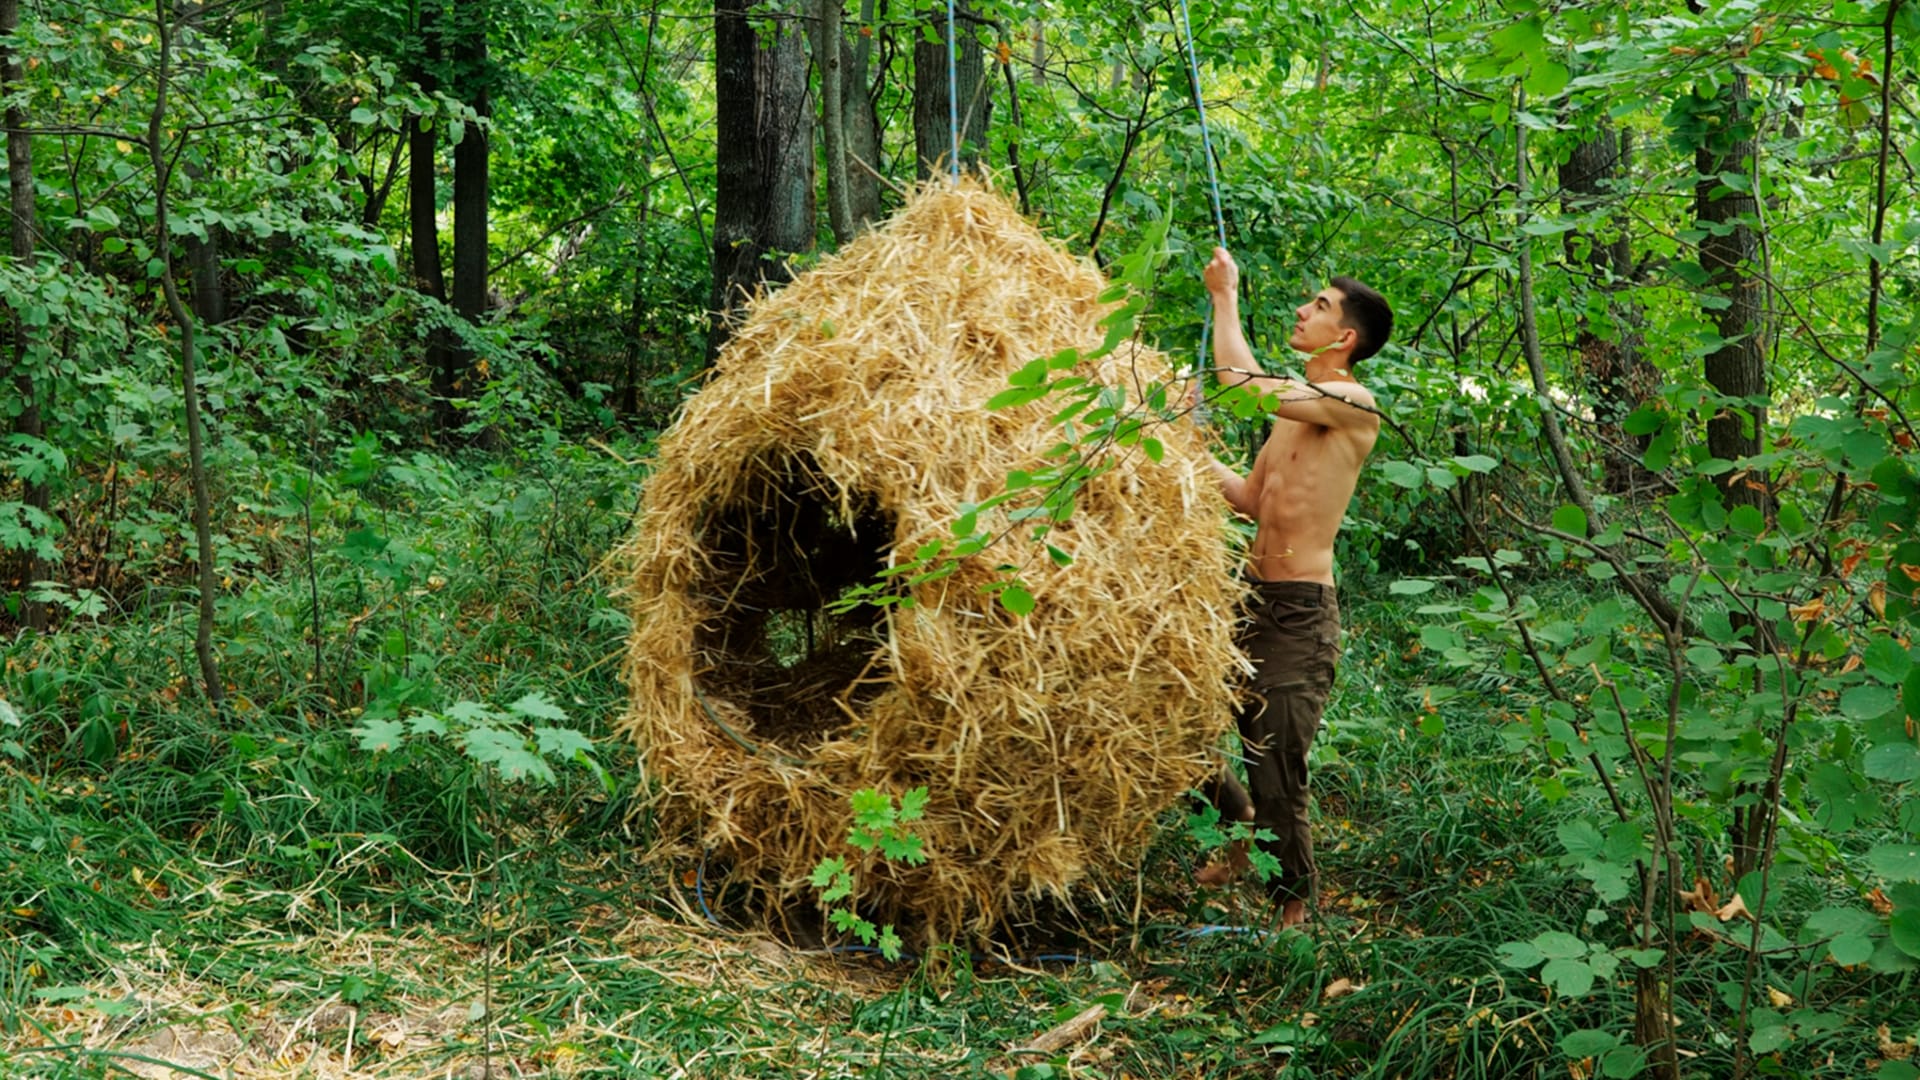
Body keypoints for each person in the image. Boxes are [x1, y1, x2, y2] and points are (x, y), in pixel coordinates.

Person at [1190, 247, 1393, 930]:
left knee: (1276, 763)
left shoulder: (1354, 403)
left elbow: (1241, 380)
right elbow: (1250, 498)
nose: (1303, 310)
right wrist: (1183, 450)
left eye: (1320, 306)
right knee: (1177, 724)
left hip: (1300, 614)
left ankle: (1292, 913)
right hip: (1248, 600)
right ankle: (1241, 826)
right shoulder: (1294, 415)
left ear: (1345, 340)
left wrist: (1226, 297)